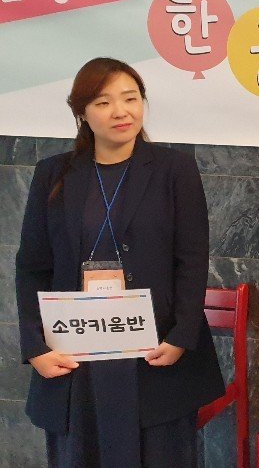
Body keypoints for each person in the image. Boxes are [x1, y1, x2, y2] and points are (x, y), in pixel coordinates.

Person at [15, 57, 225, 467]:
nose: (120, 111)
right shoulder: (53, 174)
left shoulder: (174, 169)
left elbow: (192, 258)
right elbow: (32, 267)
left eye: (130, 98)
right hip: (76, 355)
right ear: (82, 113)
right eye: (103, 102)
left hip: (155, 352)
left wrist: (181, 336)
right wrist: (35, 346)